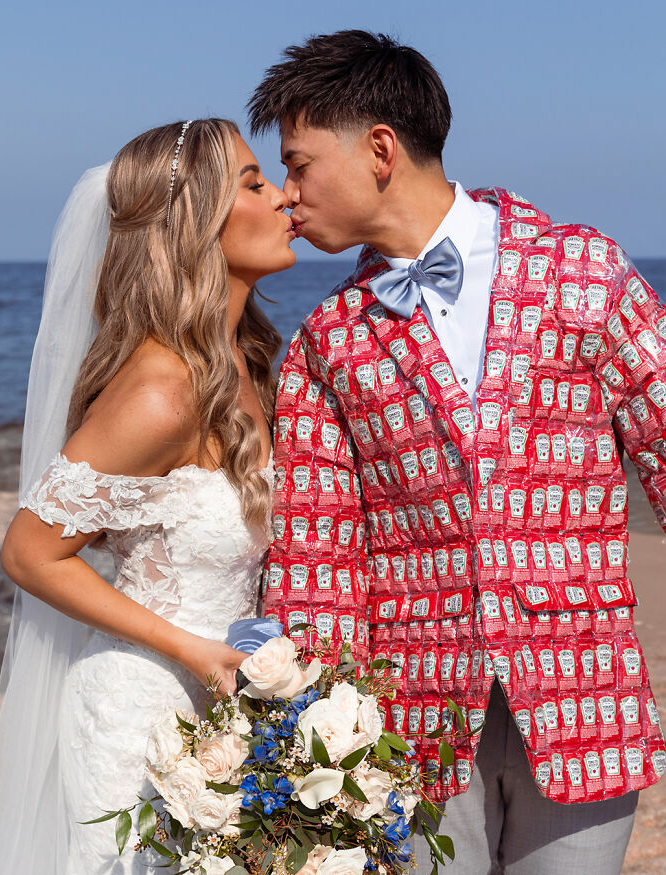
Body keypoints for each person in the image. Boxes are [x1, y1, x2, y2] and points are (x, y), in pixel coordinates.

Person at [250, 30, 666, 875]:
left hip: (584, 696)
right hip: (413, 725)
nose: (287, 194)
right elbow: (316, 560)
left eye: (298, 164)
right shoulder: (327, 342)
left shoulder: (582, 270)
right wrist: (318, 744)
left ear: (380, 150)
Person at [0, 118, 295, 874]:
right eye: (254, 183)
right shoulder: (160, 390)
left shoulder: (246, 364)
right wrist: (191, 649)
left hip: (223, 709)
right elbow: (29, 552)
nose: (283, 196)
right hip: (140, 717)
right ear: (196, 221)